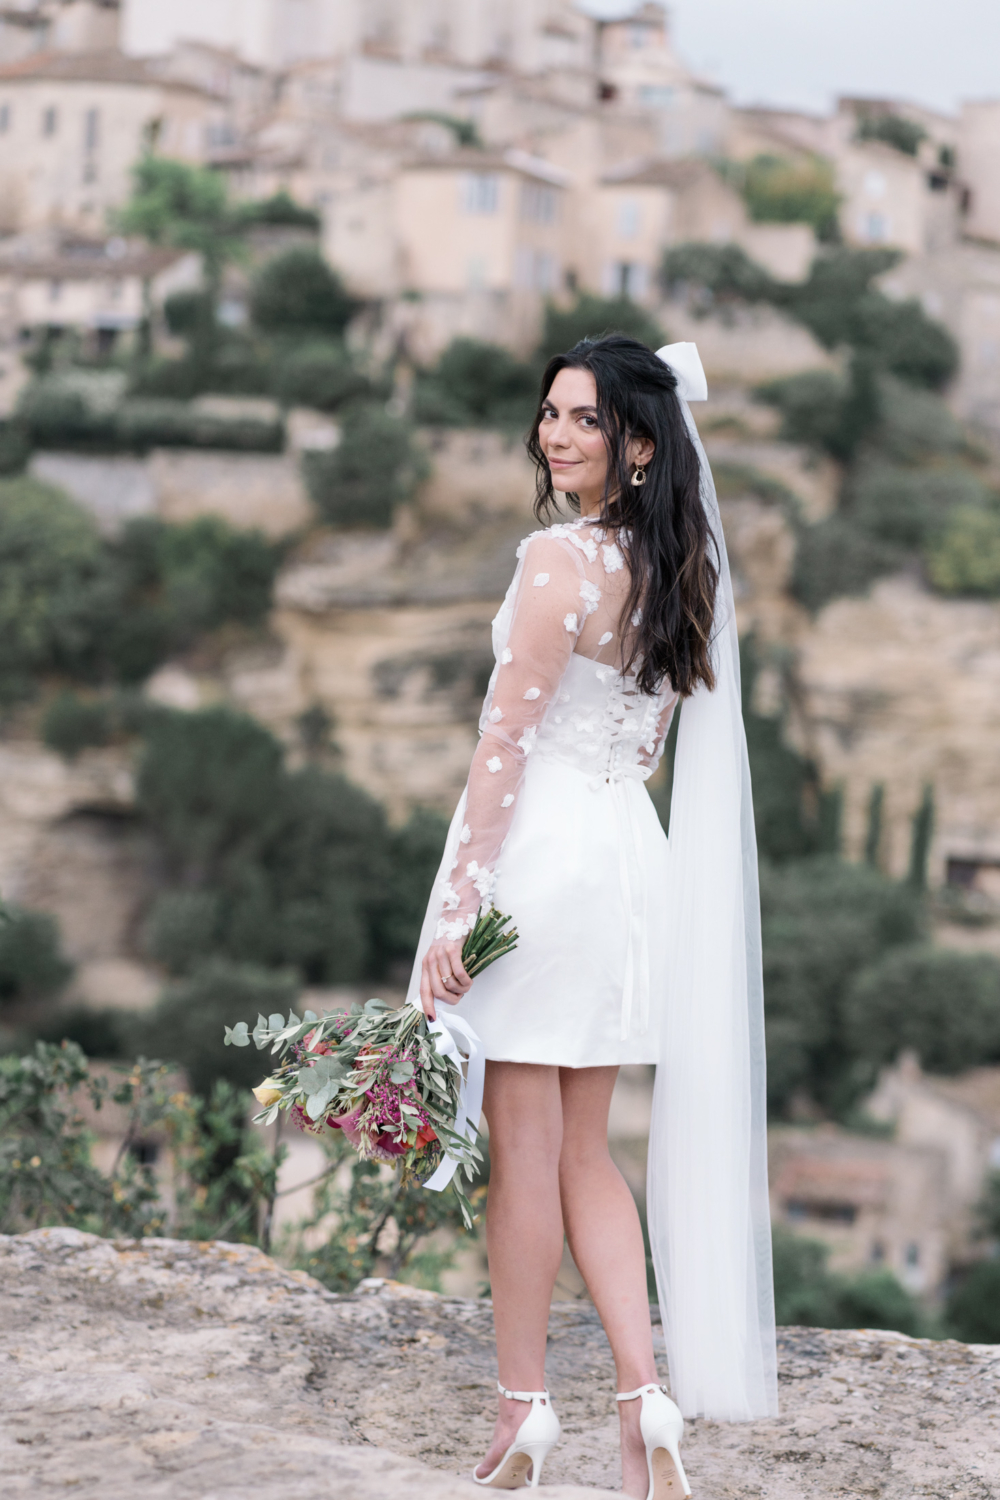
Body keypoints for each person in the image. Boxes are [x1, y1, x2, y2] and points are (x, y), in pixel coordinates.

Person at [406, 335, 777, 1497]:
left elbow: (505, 742)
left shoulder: (556, 560)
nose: (555, 435)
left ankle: (525, 1410)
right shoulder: (685, 568)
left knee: (523, 1156)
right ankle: (644, 1397)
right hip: (632, 866)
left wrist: (458, 906)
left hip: (547, 862)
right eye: (549, 414)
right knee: (586, 1151)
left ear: (640, 445)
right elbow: (650, 744)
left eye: (582, 419)